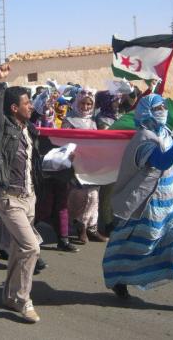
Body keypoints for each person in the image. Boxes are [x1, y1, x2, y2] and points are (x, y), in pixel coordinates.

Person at [102, 94, 173, 315]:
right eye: (158, 107)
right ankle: (116, 278)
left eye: (163, 106)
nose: (163, 110)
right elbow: (161, 162)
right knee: (138, 246)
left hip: (171, 203)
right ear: (147, 111)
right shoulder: (143, 138)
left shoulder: (166, 133)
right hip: (147, 205)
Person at [0, 64, 45, 323]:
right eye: (27, 103)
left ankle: (8, 296)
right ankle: (22, 299)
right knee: (31, 248)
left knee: (20, 249)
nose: (31, 106)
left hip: (29, 198)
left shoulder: (28, 130)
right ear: (14, 108)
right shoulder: (2, 128)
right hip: (9, 198)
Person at [64, 89, 107, 243]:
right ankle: (80, 226)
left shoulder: (95, 120)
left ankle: (90, 228)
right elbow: (64, 142)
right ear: (77, 102)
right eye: (82, 103)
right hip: (76, 165)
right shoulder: (69, 120)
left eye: (89, 103)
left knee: (94, 195)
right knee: (80, 196)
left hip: (92, 164)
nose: (86, 106)